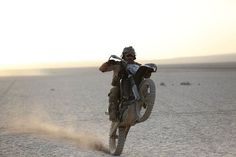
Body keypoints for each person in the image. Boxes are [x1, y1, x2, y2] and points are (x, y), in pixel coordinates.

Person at [99, 46, 141, 122]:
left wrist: (148, 71)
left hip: (134, 87)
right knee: (114, 92)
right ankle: (113, 115)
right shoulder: (118, 64)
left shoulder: (138, 66)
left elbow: (146, 75)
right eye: (128, 55)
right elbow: (102, 69)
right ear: (124, 56)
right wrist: (108, 63)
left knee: (144, 88)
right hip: (120, 86)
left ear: (134, 56)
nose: (130, 57)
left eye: (131, 55)